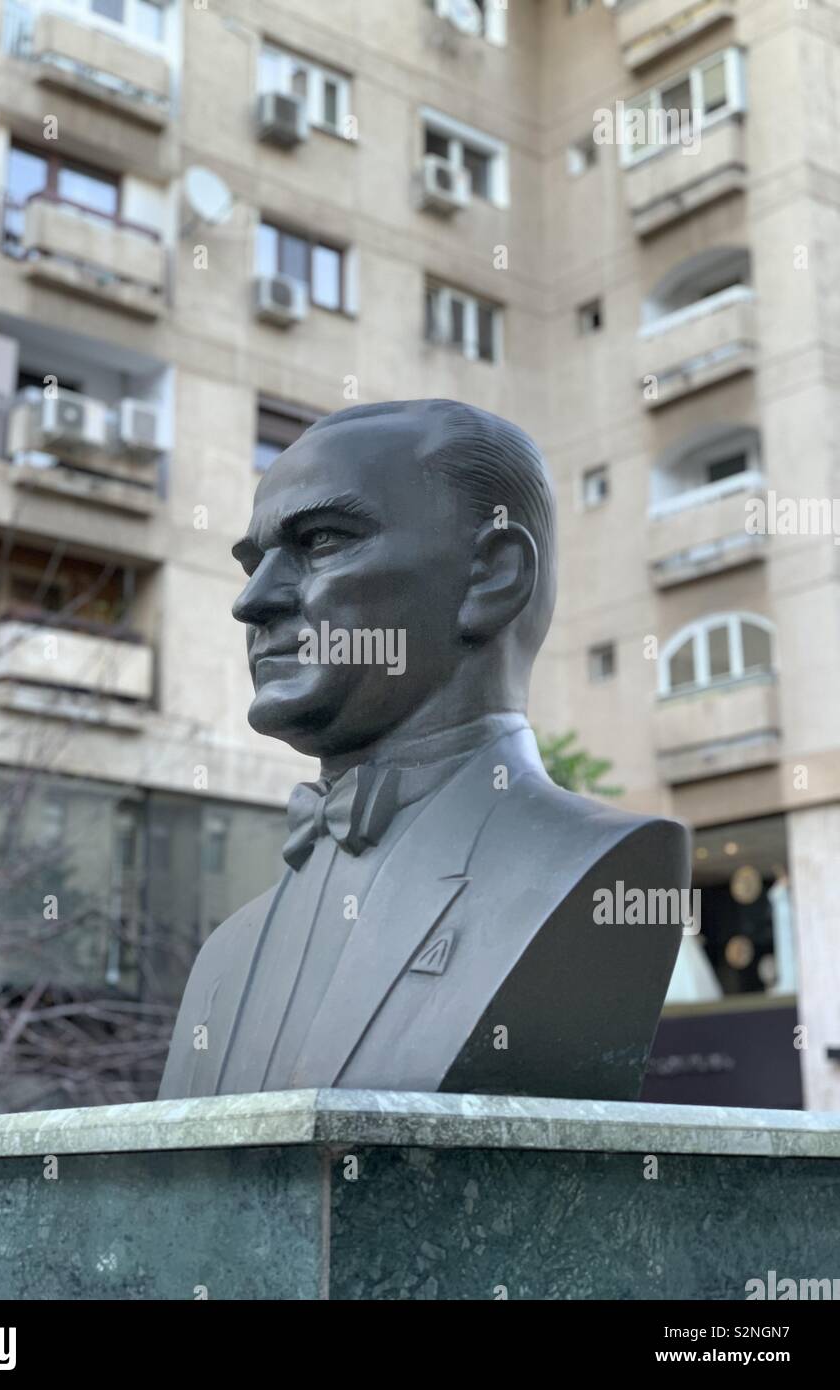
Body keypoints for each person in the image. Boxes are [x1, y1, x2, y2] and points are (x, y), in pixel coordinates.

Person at [159, 400, 688, 1101]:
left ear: (492, 577)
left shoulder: (603, 873)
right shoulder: (224, 962)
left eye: (321, 541)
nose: (252, 602)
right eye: (253, 564)